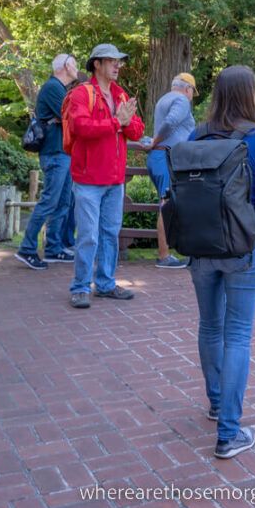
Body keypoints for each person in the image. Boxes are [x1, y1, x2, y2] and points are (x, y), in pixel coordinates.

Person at [186, 65, 255, 459]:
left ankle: (215, 402)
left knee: (210, 325)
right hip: (243, 247)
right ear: (250, 94)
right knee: (238, 334)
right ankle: (229, 432)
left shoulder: (197, 134)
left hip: (201, 244)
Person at [65, 43, 145, 309]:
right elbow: (81, 127)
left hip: (114, 179)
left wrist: (125, 121)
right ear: (96, 64)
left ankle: (106, 284)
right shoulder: (81, 94)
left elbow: (136, 130)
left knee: (110, 233)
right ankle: (80, 287)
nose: (117, 65)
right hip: (88, 179)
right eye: (111, 61)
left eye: (119, 61)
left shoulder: (121, 95)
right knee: (89, 235)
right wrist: (116, 122)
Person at [15, 54, 79, 270]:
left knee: (63, 201)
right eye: (75, 63)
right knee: (50, 201)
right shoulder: (53, 88)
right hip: (54, 153)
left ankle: (53, 247)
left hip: (62, 152)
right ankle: (27, 248)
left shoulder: (60, 88)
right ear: (66, 66)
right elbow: (70, 117)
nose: (77, 67)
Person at [144, 73, 197, 269]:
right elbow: (171, 122)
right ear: (187, 89)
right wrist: (155, 141)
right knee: (166, 205)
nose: (192, 96)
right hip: (165, 156)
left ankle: (169, 252)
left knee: (168, 203)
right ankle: (164, 255)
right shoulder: (181, 100)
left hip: (159, 157)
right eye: (193, 92)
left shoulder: (164, 99)